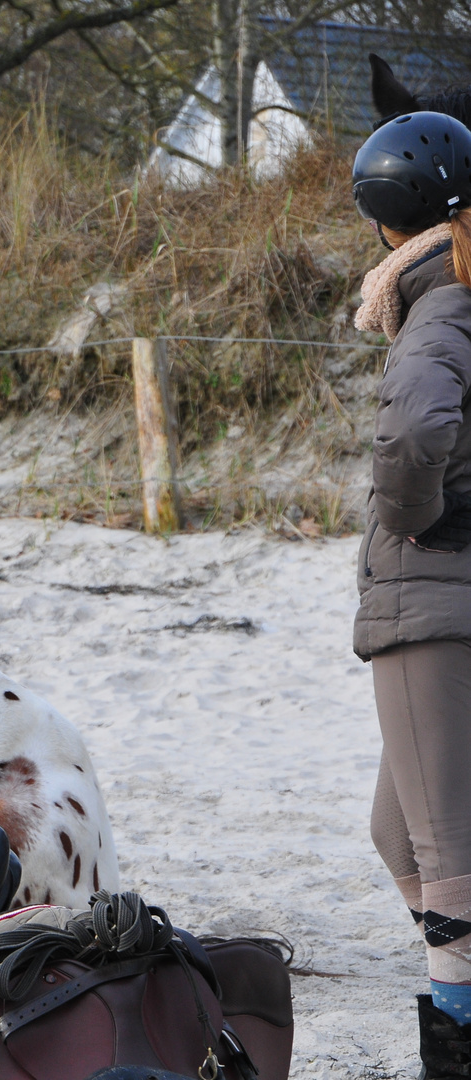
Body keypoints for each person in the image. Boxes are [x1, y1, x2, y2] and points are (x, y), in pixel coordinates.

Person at [353, 112, 471, 1076]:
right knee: (395, 829)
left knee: (441, 849)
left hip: (430, 597)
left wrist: (413, 514)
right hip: (451, 597)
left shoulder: (439, 310)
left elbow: (413, 434)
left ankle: (458, 1039)